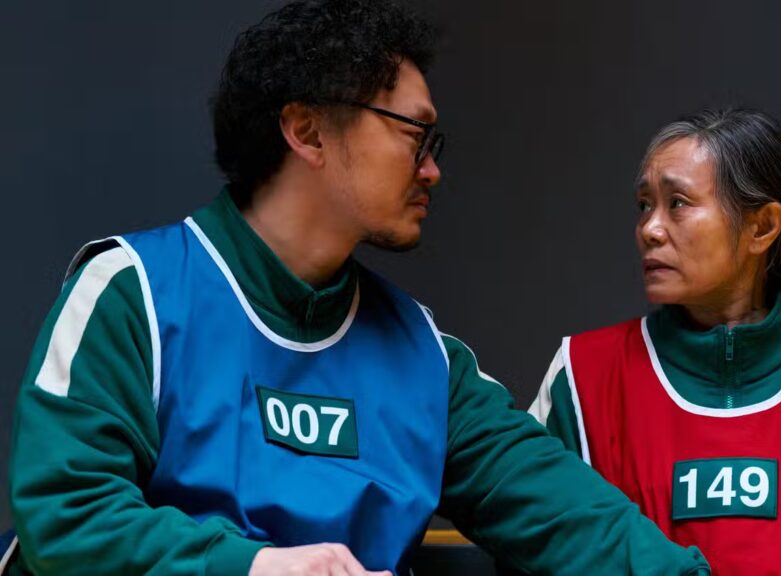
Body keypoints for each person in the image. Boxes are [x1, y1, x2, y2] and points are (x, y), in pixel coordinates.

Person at [4, 1, 711, 574]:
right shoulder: (133, 292)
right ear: (308, 131)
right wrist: (257, 568)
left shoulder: (423, 357)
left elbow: (568, 514)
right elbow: (67, 517)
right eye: (414, 135)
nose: (432, 170)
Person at [528, 109, 781, 575]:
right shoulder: (581, 375)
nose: (649, 229)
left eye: (677, 203)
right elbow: (536, 540)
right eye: (644, 205)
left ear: (761, 227)